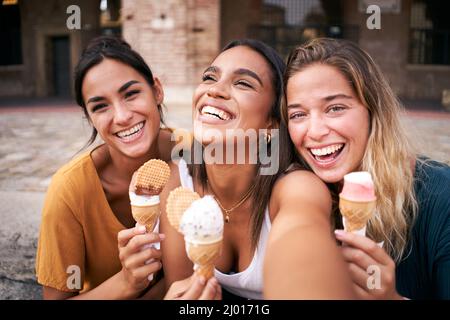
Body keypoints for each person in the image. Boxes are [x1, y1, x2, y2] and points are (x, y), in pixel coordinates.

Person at [160, 39, 355, 299]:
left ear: (272, 123)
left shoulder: (296, 187)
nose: (215, 90)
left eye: (243, 83)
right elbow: (181, 289)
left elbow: (303, 237)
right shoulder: (179, 183)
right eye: (210, 77)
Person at [35, 36, 220, 300]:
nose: (122, 117)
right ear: (89, 118)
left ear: (156, 90)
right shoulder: (70, 190)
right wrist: (126, 283)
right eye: (100, 107)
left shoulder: (195, 155)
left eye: (131, 94)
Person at [283, 37, 450, 299]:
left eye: (335, 108)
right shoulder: (295, 197)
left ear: (373, 111)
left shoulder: (442, 197)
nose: (314, 132)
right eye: (298, 115)